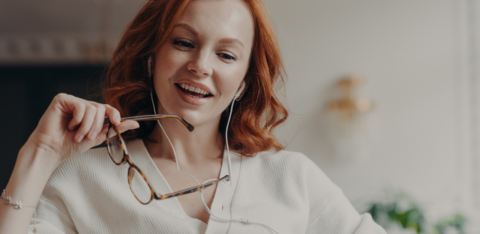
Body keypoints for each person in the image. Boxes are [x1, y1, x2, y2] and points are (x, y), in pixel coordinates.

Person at [0, 0, 387, 233]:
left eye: (226, 54)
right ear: (152, 58)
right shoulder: (81, 178)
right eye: (184, 43)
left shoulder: (292, 178)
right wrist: (42, 152)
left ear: (243, 83)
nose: (200, 65)